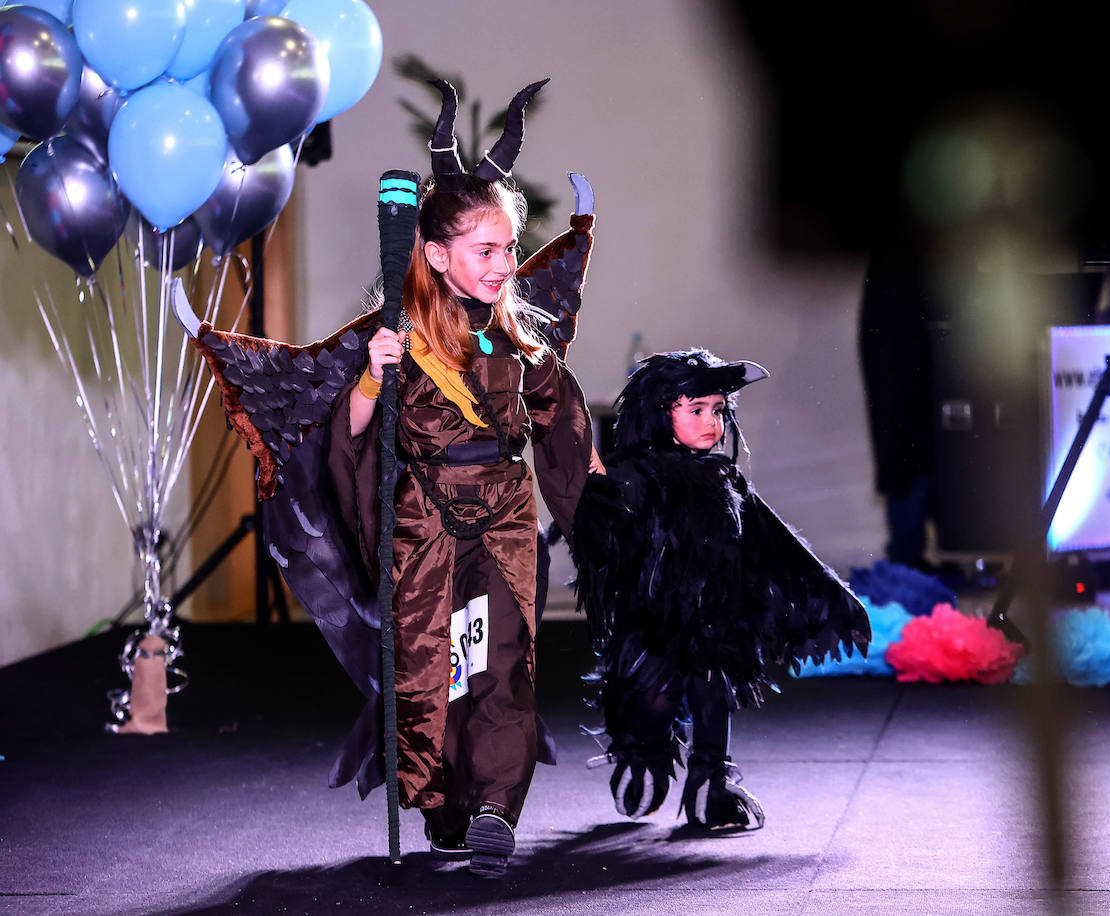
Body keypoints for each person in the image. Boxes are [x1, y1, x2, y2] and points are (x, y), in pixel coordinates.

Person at [177, 78, 596, 878]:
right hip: (423, 524)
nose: (507, 264)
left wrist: (595, 501)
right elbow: (347, 440)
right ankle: (442, 802)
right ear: (435, 255)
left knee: (503, 661)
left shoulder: (518, 341)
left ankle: (495, 809)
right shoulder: (394, 340)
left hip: (505, 521)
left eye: (511, 248)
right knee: (432, 664)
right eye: (487, 250)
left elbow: (564, 427)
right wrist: (370, 379)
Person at [570, 349, 871, 830]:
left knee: (715, 691)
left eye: (719, 411)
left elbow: (775, 542)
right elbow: (599, 529)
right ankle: (643, 752)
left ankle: (711, 785)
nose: (712, 423)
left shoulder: (722, 477)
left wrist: (830, 593)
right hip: (653, 624)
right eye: (696, 410)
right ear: (658, 412)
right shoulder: (633, 476)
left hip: (714, 620)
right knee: (653, 699)